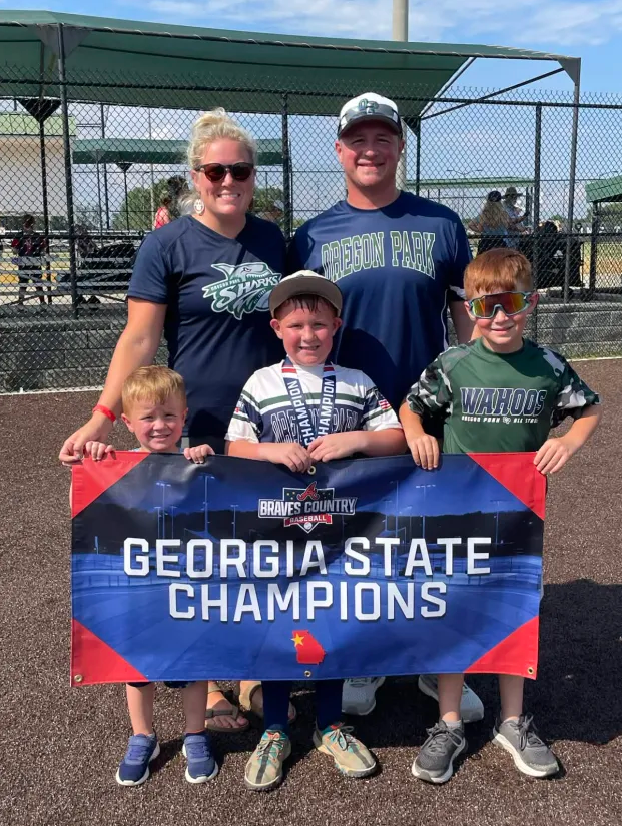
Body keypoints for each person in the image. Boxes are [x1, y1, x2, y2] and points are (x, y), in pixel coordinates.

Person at [59, 108, 288, 732]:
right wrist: (102, 417)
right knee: (206, 554)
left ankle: (248, 667)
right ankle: (212, 680)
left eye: (239, 169)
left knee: (261, 549)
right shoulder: (167, 245)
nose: (227, 180)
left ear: (252, 175)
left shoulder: (274, 240)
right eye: (215, 170)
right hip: (201, 422)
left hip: (266, 422)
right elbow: (139, 338)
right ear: (196, 175)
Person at [286, 91, 482, 722]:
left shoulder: (442, 224)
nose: (371, 150)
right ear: (340, 150)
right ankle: (366, 658)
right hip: (340, 414)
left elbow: (464, 316)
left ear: (400, 147)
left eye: (383, 138)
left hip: (426, 408)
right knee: (356, 540)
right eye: (358, 140)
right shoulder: (310, 235)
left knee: (433, 538)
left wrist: (473, 387)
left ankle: (434, 661)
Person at [400, 248, 602, 784]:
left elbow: (589, 408)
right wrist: (418, 434)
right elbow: (412, 407)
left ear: (530, 302)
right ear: (469, 306)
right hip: (457, 512)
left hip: (517, 516)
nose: (499, 315)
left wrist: (568, 440)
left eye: (511, 302)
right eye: (485, 305)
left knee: (515, 608)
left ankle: (512, 720)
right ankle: (448, 723)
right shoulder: (454, 364)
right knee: (455, 606)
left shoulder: (548, 364)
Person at [226, 270, 406, 791]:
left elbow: (394, 438)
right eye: (298, 325)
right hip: (277, 534)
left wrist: (356, 440)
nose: (309, 335)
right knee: (281, 623)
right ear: (277, 327)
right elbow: (234, 447)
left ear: (337, 326)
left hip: (342, 536)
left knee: (330, 621)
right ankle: (277, 728)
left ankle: (331, 725)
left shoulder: (356, 381)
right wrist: (267, 450)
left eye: (320, 325)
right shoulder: (260, 382)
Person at [80, 365, 218, 787]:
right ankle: (143, 735)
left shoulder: (195, 462)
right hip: (139, 588)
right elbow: (93, 493)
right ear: (126, 423)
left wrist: (205, 460)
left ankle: (196, 734)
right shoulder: (118, 468)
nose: (160, 426)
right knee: (136, 669)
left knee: (193, 664)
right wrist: (98, 460)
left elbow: (220, 500)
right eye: (148, 417)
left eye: (170, 416)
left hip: (188, 583)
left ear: (185, 416)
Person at [12, 214, 46, 305]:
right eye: (26, 224)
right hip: (24, 261)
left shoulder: (37, 236)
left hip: (34, 262)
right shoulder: (19, 236)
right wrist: (16, 249)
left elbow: (43, 250)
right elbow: (14, 250)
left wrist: (40, 250)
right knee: (23, 282)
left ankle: (42, 302)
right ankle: (21, 302)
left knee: (37, 282)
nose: (27, 227)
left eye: (29, 224)